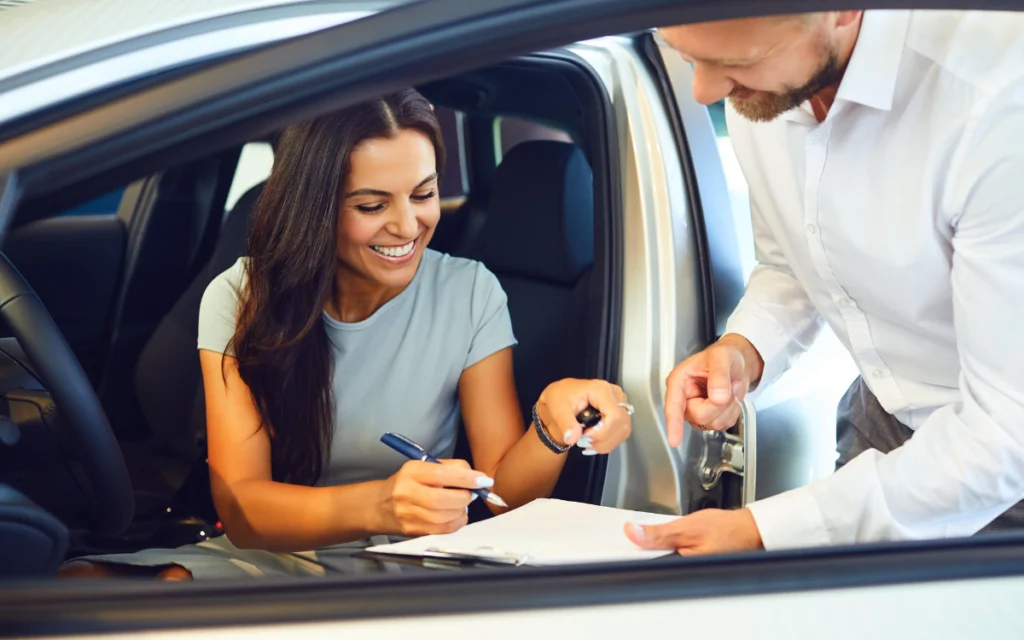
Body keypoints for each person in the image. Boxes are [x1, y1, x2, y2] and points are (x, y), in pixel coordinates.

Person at [61, 89, 632, 579]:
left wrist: (552, 425)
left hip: (413, 564)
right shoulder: (242, 296)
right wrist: (383, 503)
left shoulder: (470, 292)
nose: (408, 226)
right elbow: (245, 510)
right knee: (74, 584)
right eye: (371, 204)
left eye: (424, 194)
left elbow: (504, 498)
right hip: (276, 554)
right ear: (315, 208)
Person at [625, 10, 1024, 555]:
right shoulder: (760, 92)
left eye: (733, 61)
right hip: (878, 422)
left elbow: (1006, 433)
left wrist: (762, 531)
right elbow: (791, 262)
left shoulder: (997, 103)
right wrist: (745, 348)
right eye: (689, 58)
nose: (704, 91)